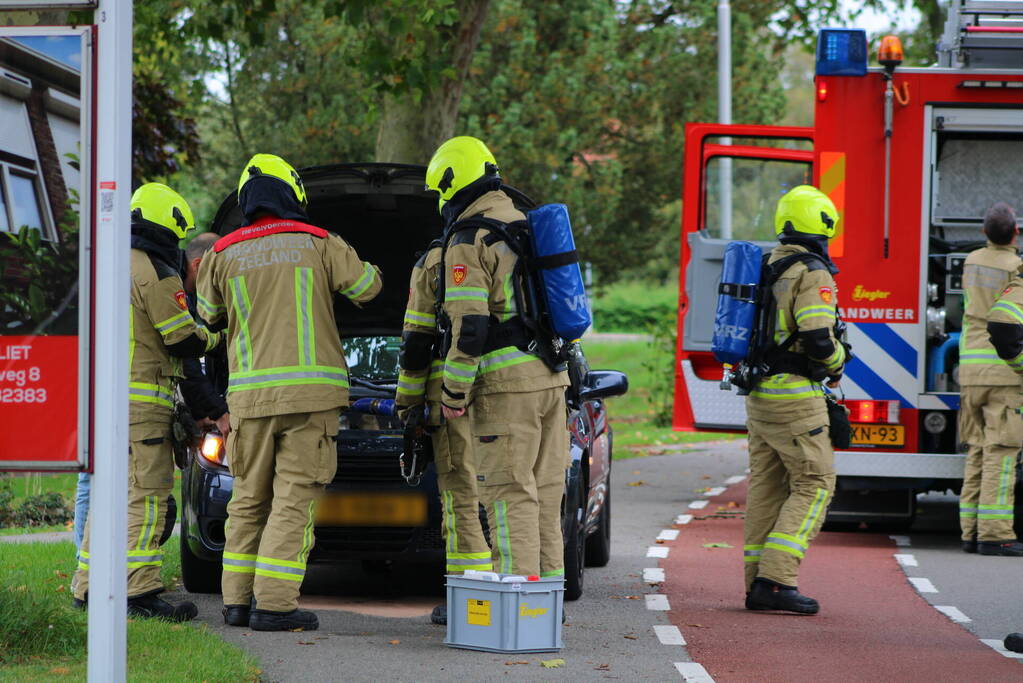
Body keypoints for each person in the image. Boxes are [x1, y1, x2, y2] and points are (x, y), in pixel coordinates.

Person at [197, 153, 382, 632]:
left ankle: (236, 604)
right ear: (292, 193)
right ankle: (275, 605)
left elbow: (208, 317)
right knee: (293, 500)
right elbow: (368, 289)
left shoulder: (220, 254)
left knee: (248, 500)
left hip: (249, 402)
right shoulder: (319, 242)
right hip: (310, 400)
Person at [72, 183, 222, 621]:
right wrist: (216, 335)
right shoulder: (156, 270)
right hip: (140, 407)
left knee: (107, 499)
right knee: (147, 496)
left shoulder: (108, 264)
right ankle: (138, 594)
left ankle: (87, 588)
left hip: (103, 403)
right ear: (167, 226)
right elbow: (181, 337)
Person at [426, 136, 570, 581]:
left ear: (452, 183)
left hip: (507, 389)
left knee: (508, 496)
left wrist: (452, 392)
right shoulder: (525, 224)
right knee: (545, 496)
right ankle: (546, 604)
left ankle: (519, 608)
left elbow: (469, 327)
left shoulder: (468, 240)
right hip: (551, 377)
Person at [742, 185, 847, 615]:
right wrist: (839, 361)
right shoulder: (812, 272)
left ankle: (756, 583)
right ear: (822, 224)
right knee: (815, 484)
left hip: (760, 394)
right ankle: (777, 579)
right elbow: (818, 338)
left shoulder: (766, 264)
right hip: (795, 397)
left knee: (766, 487)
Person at [397, 237, 491, 626]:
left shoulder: (437, 259)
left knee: (462, 499)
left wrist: (408, 403)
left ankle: (470, 599)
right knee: (514, 497)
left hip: (456, 404)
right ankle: (528, 590)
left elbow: (418, 341)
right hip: (510, 396)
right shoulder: (511, 248)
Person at [957, 202, 1023, 557]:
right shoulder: (1017, 268)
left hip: (969, 370)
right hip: (1004, 371)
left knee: (977, 451)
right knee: (1003, 452)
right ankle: (995, 534)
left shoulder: (971, 261)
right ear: (1015, 233)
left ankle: (969, 531)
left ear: (984, 232)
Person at [180, 232, 230, 436]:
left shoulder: (185, 293)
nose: (220, 283)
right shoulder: (170, 288)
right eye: (218, 273)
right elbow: (185, 356)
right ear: (198, 265)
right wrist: (218, 412)